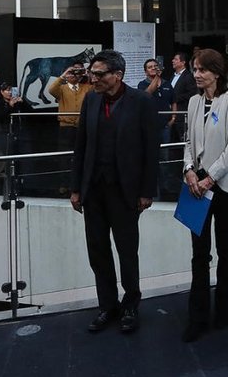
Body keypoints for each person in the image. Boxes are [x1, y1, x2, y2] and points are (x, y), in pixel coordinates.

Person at [68, 50, 160, 334]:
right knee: (97, 250)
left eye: (99, 74)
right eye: (92, 73)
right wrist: (75, 188)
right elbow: (81, 146)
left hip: (126, 191)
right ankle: (107, 305)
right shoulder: (91, 99)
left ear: (117, 76)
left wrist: (147, 191)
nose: (92, 78)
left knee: (126, 250)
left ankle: (131, 304)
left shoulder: (141, 101)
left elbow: (151, 150)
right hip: (93, 189)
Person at [180, 49, 228, 342]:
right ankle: (197, 316)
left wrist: (210, 177)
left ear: (216, 72)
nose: (196, 74)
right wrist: (188, 171)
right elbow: (188, 140)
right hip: (197, 186)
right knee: (199, 253)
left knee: (225, 247)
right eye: (194, 69)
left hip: (225, 186)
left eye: (201, 70)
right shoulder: (193, 102)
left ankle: (223, 310)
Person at [48, 61, 88, 194]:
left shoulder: (86, 87)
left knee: (82, 155)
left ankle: (81, 182)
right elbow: (51, 89)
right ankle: (64, 183)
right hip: (66, 127)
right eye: (73, 71)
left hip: (83, 127)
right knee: (64, 157)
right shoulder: (62, 89)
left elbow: (97, 91)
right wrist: (64, 75)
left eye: (78, 72)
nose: (75, 74)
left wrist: (87, 74)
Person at [137, 58, 175, 144]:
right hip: (150, 125)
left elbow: (173, 101)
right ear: (146, 72)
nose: (153, 68)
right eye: (150, 67)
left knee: (165, 153)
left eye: (155, 66)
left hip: (165, 125)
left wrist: (173, 118)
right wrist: (157, 77)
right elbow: (147, 94)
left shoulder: (167, 84)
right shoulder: (142, 84)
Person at [170, 52, 197, 142]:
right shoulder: (173, 76)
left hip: (181, 113)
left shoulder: (188, 76)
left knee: (182, 139)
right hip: (171, 113)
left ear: (183, 62)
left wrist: (175, 98)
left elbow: (192, 93)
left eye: (176, 59)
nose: (173, 61)